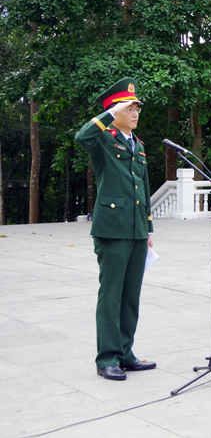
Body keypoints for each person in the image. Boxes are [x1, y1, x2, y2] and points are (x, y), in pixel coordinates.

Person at [75, 77, 156, 381]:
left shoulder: (139, 145)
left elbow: (144, 189)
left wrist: (148, 229)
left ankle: (125, 353)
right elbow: (82, 137)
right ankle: (107, 358)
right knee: (111, 295)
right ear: (115, 110)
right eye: (130, 107)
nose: (136, 113)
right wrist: (109, 113)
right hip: (112, 229)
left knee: (130, 297)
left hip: (136, 229)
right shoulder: (104, 139)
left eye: (137, 108)